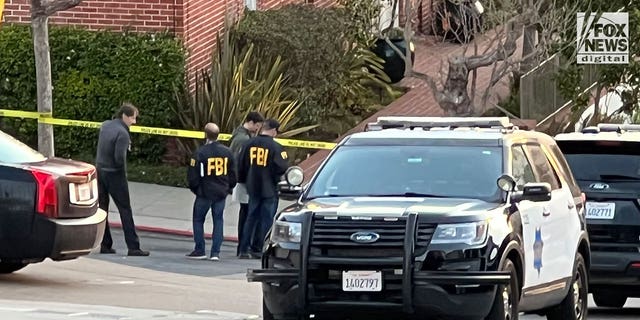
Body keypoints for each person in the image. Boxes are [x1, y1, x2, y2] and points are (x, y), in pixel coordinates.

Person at [96, 102, 150, 256]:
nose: (134, 122)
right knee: (125, 210)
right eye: (132, 118)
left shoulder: (106, 126)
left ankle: (105, 245)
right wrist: (122, 173)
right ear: (124, 116)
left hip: (100, 171)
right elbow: (119, 158)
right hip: (115, 174)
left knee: (102, 209)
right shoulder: (123, 134)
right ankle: (133, 247)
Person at [237, 119, 289, 259]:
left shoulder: (248, 144)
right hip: (269, 188)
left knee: (251, 217)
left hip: (252, 187)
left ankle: (243, 249)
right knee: (266, 220)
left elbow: (240, 164)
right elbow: (282, 168)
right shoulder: (276, 147)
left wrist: (242, 180)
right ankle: (258, 248)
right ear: (273, 130)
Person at [186, 123, 237, 260]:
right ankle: (215, 252)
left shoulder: (200, 153)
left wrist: (196, 189)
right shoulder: (227, 152)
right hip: (221, 192)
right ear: (218, 135)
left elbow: (193, 176)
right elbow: (233, 174)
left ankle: (200, 250)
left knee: (198, 220)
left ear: (205, 135)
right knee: (218, 220)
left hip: (205, 192)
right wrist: (228, 188)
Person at [229, 111, 264, 256]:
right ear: (250, 123)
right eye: (257, 126)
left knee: (245, 214)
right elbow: (238, 162)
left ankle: (243, 246)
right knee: (247, 215)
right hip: (244, 183)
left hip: (242, 181)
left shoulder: (239, 134)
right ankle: (244, 246)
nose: (257, 129)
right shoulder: (243, 139)